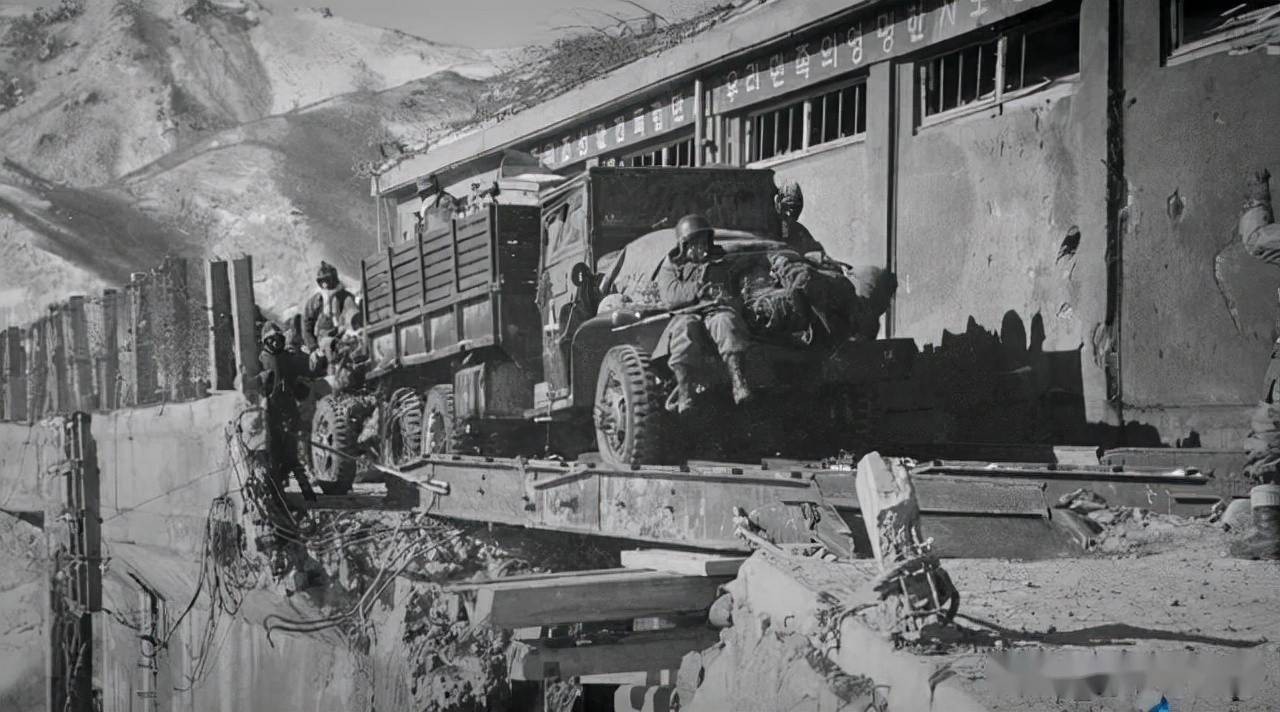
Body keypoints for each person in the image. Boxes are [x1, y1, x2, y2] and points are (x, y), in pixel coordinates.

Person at [654, 214, 753, 412]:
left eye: (704, 242)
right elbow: (670, 296)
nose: (701, 248)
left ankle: (738, 382)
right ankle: (685, 393)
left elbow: (737, 287)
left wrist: (727, 296)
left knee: (726, 322)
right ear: (684, 245)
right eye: (695, 243)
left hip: (716, 310)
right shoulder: (671, 265)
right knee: (684, 331)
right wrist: (697, 289)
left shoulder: (722, 260)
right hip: (686, 313)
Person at [257, 322, 319, 503]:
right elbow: (253, 384)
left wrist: (301, 385)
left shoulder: (288, 358)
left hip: (289, 412)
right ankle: (279, 495)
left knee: (292, 455)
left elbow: (299, 383)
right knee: (274, 457)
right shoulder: (262, 359)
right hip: (270, 414)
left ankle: (307, 493)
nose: (275, 342)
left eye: (278, 339)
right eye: (271, 340)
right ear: (265, 341)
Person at [302, 261, 356, 363]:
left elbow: (353, 314)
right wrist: (313, 347)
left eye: (327, 279)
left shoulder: (345, 297)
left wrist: (349, 330)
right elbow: (306, 324)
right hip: (323, 341)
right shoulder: (315, 301)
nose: (325, 284)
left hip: (344, 336)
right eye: (322, 281)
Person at [774, 181, 827, 258]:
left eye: (794, 207)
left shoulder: (799, 230)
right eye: (787, 207)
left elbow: (816, 250)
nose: (789, 213)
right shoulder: (779, 226)